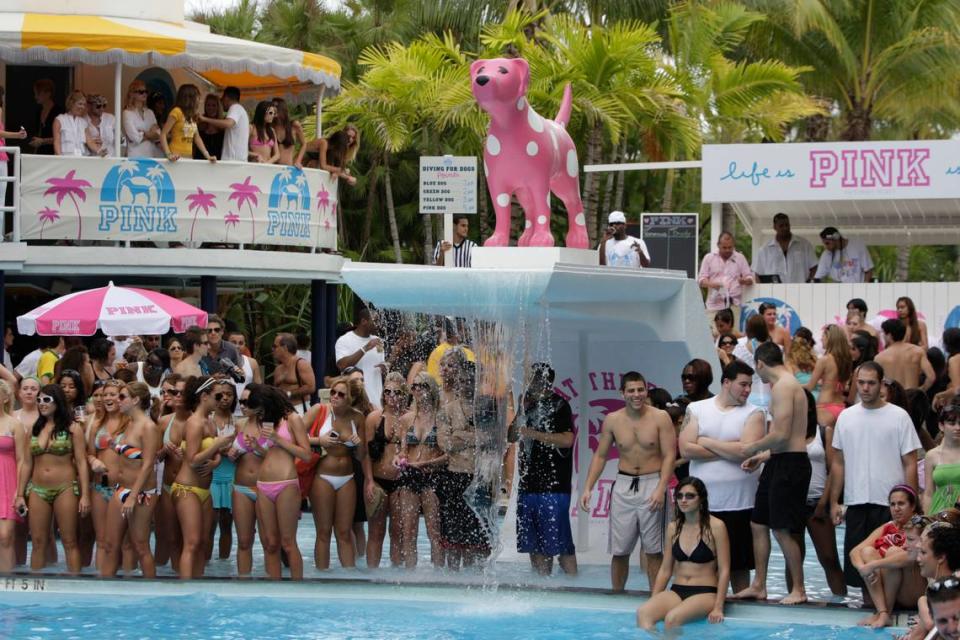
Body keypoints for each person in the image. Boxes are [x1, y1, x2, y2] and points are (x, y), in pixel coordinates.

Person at [830, 361, 922, 600]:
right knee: (860, 566)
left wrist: (911, 504)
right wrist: (833, 502)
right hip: (857, 502)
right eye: (861, 383)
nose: (865, 388)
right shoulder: (846, 418)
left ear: (881, 384)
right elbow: (838, 463)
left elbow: (910, 461)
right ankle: (870, 609)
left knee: (891, 562)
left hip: (891, 505)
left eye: (871, 383)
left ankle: (886, 610)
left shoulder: (898, 416)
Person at [579, 371, 676, 592]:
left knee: (653, 549)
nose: (636, 395)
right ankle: (617, 595)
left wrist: (662, 488)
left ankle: (656, 597)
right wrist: (587, 488)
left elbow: (670, 455)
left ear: (646, 390)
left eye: (640, 390)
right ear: (622, 393)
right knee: (620, 550)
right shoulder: (613, 420)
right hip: (623, 484)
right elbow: (601, 455)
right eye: (631, 390)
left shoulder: (660, 417)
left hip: (652, 482)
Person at [679, 360, 765, 593]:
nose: (747, 390)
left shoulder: (755, 413)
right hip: (705, 506)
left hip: (740, 503)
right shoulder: (696, 409)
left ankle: (740, 612)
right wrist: (729, 448)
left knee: (739, 567)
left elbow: (745, 452)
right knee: (704, 566)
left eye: (750, 385)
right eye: (743, 385)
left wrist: (705, 441)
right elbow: (685, 449)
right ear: (726, 383)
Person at [736, 342, 812, 604]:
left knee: (781, 529)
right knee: (758, 523)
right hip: (780, 461)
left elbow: (780, 434)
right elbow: (786, 439)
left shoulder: (783, 387)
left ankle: (799, 589)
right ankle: (759, 585)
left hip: (791, 465)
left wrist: (751, 447)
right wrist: (761, 457)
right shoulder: (788, 386)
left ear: (759, 364)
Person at [509, 363, 577, 576]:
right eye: (530, 378)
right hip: (529, 485)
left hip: (554, 485)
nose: (532, 382)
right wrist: (520, 409)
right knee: (534, 542)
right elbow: (511, 437)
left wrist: (532, 433)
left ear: (548, 381)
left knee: (562, 542)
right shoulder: (526, 404)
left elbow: (567, 440)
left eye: (537, 378)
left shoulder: (559, 405)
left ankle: (574, 585)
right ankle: (542, 583)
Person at [637, 478, 730, 630]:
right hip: (676, 591)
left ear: (701, 499)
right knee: (643, 613)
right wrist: (654, 599)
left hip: (705, 592)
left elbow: (725, 570)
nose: (683, 500)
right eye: (679, 496)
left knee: (672, 619)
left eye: (689, 496)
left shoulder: (717, 526)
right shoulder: (673, 528)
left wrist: (718, 607)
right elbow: (665, 570)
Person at [17, 384, 90, 572]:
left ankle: (73, 586)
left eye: (46, 400)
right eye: (39, 400)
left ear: (58, 402)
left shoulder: (73, 428)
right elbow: (26, 463)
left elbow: (81, 462)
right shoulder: (34, 428)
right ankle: (36, 591)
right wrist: (19, 494)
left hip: (65, 488)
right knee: (38, 541)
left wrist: (85, 495)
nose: (41, 403)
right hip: (38, 489)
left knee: (69, 540)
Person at [245, 384, 311, 579]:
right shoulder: (268, 421)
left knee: (288, 543)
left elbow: (306, 454)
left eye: (261, 408)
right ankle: (274, 587)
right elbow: (272, 454)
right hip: (263, 484)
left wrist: (278, 439)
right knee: (270, 543)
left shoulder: (292, 419)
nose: (260, 413)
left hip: (286, 484)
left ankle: (297, 589)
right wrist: (257, 447)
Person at [172, 376, 233, 579]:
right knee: (192, 542)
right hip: (187, 488)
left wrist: (216, 461)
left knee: (203, 542)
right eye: (218, 395)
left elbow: (212, 454)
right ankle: (185, 587)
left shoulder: (210, 423)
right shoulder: (194, 423)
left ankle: (196, 586)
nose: (222, 399)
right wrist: (217, 445)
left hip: (204, 491)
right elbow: (192, 460)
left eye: (225, 394)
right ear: (204, 396)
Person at [436, 350, 492, 569]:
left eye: (470, 381)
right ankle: (453, 579)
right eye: (462, 381)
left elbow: (492, 441)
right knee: (452, 537)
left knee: (476, 538)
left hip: (479, 477)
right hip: (454, 475)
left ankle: (471, 578)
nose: (466, 385)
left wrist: (461, 436)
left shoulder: (487, 409)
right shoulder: (446, 409)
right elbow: (445, 444)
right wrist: (475, 438)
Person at [101, 382, 159, 577]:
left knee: (141, 546)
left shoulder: (148, 427)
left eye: (122, 396)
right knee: (110, 544)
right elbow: (132, 453)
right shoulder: (130, 423)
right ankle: (106, 590)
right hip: (121, 488)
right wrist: (114, 446)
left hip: (141, 493)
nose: (118, 400)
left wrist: (133, 496)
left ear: (135, 400)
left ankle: (151, 592)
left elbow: (148, 463)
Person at [307, 377, 366, 570]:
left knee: (344, 531)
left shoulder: (357, 417)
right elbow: (295, 434)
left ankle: (349, 580)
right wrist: (319, 440)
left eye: (341, 394)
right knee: (323, 532)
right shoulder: (320, 410)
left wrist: (358, 444)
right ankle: (322, 578)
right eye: (333, 392)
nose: (335, 397)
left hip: (347, 476)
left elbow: (362, 455)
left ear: (350, 397)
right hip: (323, 476)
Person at [849, 485, 924, 627]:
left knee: (893, 552)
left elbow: (910, 557)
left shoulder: (920, 525)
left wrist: (873, 565)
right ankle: (882, 612)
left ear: (913, 506)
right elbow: (855, 552)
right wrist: (862, 568)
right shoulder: (887, 526)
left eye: (901, 504)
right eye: (892, 504)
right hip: (891, 590)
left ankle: (885, 613)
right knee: (867, 552)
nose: (896, 508)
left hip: (913, 591)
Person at [395, 371, 446, 568]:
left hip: (432, 476)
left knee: (434, 531)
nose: (417, 390)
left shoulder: (440, 418)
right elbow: (402, 450)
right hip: (410, 476)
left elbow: (448, 455)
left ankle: (438, 575)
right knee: (408, 531)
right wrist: (399, 459)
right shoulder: (407, 419)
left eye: (422, 386)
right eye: (414, 386)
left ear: (431, 389)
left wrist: (426, 464)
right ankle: (410, 574)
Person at [364, 373, 407, 568]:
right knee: (375, 531)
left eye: (397, 392)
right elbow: (365, 453)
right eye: (387, 391)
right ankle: (372, 576)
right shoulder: (374, 418)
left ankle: (395, 576)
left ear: (404, 395)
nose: (392, 396)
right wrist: (369, 481)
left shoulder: (408, 418)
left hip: (400, 482)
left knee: (397, 532)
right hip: (378, 480)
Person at [229, 386, 265, 576]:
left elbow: (278, 458)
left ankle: (276, 583)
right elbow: (234, 456)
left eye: (246, 402)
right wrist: (232, 455)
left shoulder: (269, 425)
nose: (242, 406)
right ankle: (243, 582)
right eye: (240, 402)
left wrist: (259, 448)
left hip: (264, 487)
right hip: (241, 486)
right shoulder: (240, 425)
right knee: (243, 541)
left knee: (271, 542)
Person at [154, 374, 187, 570]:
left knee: (191, 539)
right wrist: (164, 451)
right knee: (172, 537)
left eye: (181, 392)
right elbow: (154, 458)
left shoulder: (199, 421)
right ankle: (177, 579)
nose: (176, 396)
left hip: (190, 485)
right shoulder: (164, 422)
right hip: (167, 484)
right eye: (174, 392)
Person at [698, 232, 754, 331]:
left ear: (734, 245)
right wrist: (712, 284)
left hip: (733, 305)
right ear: (718, 245)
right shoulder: (709, 258)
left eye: (730, 247)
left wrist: (745, 281)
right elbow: (701, 280)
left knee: (733, 335)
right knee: (712, 334)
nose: (728, 250)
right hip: (714, 304)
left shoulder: (740, 258)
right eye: (724, 247)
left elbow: (750, 277)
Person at [207, 381, 237, 562]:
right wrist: (223, 448)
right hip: (211, 475)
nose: (225, 398)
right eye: (220, 394)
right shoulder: (207, 419)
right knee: (209, 525)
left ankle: (223, 568)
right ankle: (206, 566)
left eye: (229, 394)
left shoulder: (239, 420)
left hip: (232, 475)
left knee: (227, 525)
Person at [335, 308, 386, 410]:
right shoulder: (344, 340)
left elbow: (382, 365)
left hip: (377, 402)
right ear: (364, 321)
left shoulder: (378, 341)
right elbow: (342, 365)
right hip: (355, 403)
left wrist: (385, 367)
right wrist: (365, 348)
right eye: (375, 320)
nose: (379, 324)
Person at [0, 381, 27, 572]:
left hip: (7, 482)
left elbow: (22, 460)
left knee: (5, 535)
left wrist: (19, 491)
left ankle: (6, 583)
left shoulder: (14, 424)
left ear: (5, 398)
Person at [805, 324, 852, 427]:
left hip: (824, 407)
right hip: (841, 407)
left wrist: (793, 385)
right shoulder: (847, 360)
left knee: (823, 442)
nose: (821, 339)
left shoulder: (824, 360)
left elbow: (809, 387)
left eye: (823, 336)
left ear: (829, 338)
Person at [751, 213, 817, 283]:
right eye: (781, 226)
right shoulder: (764, 250)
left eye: (787, 225)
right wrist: (762, 292)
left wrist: (809, 284)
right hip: (774, 292)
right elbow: (757, 274)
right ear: (774, 227)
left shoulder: (804, 245)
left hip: (800, 291)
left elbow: (814, 267)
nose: (785, 228)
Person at [159, 84, 216, 163]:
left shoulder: (192, 115)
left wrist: (207, 155)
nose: (199, 100)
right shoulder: (177, 111)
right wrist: (168, 154)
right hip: (175, 156)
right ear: (189, 98)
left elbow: (197, 137)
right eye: (197, 97)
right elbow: (163, 134)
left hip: (188, 156)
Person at [876, 319, 935, 392]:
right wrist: (921, 390)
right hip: (913, 396)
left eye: (883, 333)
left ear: (889, 335)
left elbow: (876, 382)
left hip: (894, 398)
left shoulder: (880, 357)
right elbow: (931, 377)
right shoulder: (918, 351)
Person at [924, 405, 960, 515]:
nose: (958, 427)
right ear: (941, 426)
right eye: (952, 423)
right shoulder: (931, 455)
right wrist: (927, 518)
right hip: (938, 511)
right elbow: (929, 493)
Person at [198, 86, 249, 163]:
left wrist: (205, 119)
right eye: (208, 105)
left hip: (232, 161)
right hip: (235, 160)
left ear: (226, 98)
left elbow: (228, 123)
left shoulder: (235, 108)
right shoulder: (240, 110)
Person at [732, 315, 772, 409]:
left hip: (748, 396)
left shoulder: (741, 349)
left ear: (748, 328)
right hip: (769, 397)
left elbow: (736, 374)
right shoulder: (771, 347)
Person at [272, 332, 315, 415]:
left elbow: (311, 387)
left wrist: (289, 393)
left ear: (284, 347)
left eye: (275, 346)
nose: (273, 349)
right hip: (281, 410)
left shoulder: (301, 364)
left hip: (298, 409)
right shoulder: (278, 369)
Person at [122, 80, 161, 158]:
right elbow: (134, 138)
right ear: (132, 94)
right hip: (135, 155)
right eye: (141, 92)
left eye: (146, 91)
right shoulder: (127, 113)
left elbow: (158, 134)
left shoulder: (150, 112)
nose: (144, 94)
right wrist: (151, 133)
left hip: (152, 154)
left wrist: (143, 133)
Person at [200, 314, 242, 379]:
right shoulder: (199, 349)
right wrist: (212, 378)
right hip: (205, 388)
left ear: (222, 332)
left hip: (227, 387)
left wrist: (228, 376)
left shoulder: (231, 348)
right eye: (209, 330)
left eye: (216, 330)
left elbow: (239, 373)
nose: (213, 333)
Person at [53, 90, 93, 156]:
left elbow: (90, 142)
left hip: (80, 160)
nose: (82, 107)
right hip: (65, 160)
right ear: (71, 103)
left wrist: (101, 151)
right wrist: (60, 159)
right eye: (80, 104)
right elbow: (57, 142)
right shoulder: (59, 119)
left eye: (84, 105)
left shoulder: (84, 122)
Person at [28, 78, 62, 155]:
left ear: (48, 93)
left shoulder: (59, 112)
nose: (35, 97)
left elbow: (63, 137)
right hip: (40, 153)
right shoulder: (39, 111)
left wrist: (43, 141)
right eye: (35, 93)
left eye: (38, 93)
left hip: (54, 152)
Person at [271, 97, 306, 167]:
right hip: (273, 168)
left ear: (282, 109)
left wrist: (298, 161)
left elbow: (304, 144)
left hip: (288, 168)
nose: (274, 109)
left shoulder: (294, 125)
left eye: (276, 107)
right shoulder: (271, 127)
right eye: (272, 106)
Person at [194, 93, 224, 161]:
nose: (211, 108)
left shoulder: (222, 126)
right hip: (199, 161)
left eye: (214, 105)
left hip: (217, 163)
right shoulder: (199, 123)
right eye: (208, 105)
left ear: (218, 107)